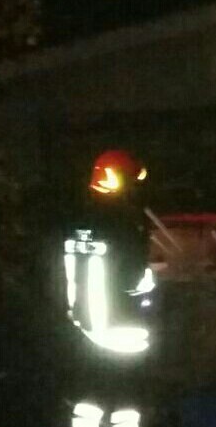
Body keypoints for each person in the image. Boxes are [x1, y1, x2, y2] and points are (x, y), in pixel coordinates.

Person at [63, 149, 154, 354]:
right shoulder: (120, 223)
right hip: (119, 330)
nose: (136, 189)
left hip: (80, 328)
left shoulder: (77, 218)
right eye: (132, 182)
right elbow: (133, 277)